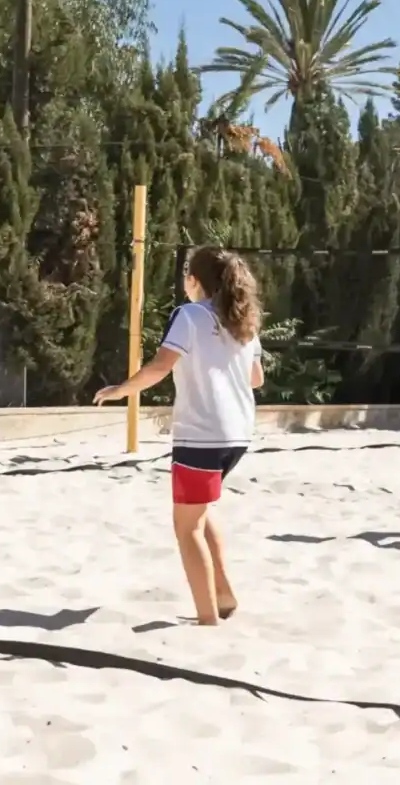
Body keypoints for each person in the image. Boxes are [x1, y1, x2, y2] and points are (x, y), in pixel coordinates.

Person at [93, 247, 263, 626]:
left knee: (186, 529)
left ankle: (207, 618)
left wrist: (122, 389)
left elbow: (160, 366)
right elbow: (257, 379)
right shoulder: (244, 320)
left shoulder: (189, 316)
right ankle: (222, 593)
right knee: (201, 513)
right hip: (237, 435)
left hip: (201, 435)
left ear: (195, 280)